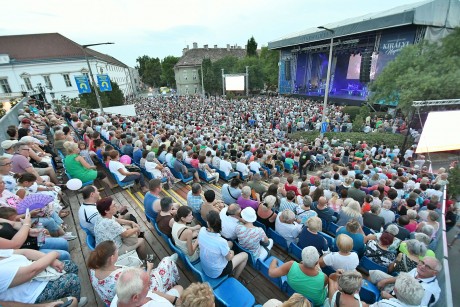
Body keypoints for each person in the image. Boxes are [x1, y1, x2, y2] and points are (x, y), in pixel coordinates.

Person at [88, 240, 180, 306]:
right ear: (112, 258)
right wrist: (149, 268)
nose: (117, 251)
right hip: (137, 295)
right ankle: (171, 268)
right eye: (116, 250)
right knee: (166, 261)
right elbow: (144, 284)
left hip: (115, 300)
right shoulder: (120, 276)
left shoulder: (93, 269)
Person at [0, 248, 87, 306]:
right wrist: (54, 254)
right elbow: (32, 271)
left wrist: (52, 261)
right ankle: (73, 302)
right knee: (73, 280)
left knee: (70, 266)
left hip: (38, 273)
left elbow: (24, 252)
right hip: (33, 293)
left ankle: (71, 298)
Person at [0, 208, 70, 260]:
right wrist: (26, 224)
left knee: (64, 243)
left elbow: (14, 224)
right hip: (24, 251)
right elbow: (15, 244)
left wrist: (31, 231)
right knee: (64, 255)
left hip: (31, 240)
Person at [371, 256, 441, 306]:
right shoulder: (417, 270)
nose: (422, 266)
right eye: (422, 262)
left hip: (401, 301)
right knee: (376, 273)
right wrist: (385, 281)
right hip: (397, 289)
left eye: (428, 267)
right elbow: (401, 278)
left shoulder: (429, 290)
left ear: (435, 273)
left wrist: (389, 297)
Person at [198, 210, 248, 279]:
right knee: (245, 255)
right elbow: (229, 258)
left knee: (230, 243)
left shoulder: (202, 230)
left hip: (205, 266)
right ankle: (235, 278)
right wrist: (232, 253)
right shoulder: (221, 241)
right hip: (217, 272)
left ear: (208, 223)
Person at [110, 267, 182, 307]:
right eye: (148, 285)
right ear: (136, 297)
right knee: (180, 288)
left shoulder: (121, 295)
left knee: (179, 288)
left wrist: (174, 299)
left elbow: (151, 292)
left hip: (165, 298)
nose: (150, 284)